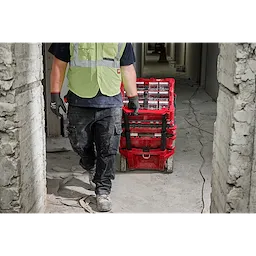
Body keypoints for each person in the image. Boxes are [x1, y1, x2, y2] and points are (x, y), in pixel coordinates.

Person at [48, 40, 139, 212]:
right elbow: (59, 64)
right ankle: (90, 164)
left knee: (108, 148)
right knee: (79, 142)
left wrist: (132, 95)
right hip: (79, 99)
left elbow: (127, 66)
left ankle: (103, 190)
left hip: (111, 100)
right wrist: (55, 95)